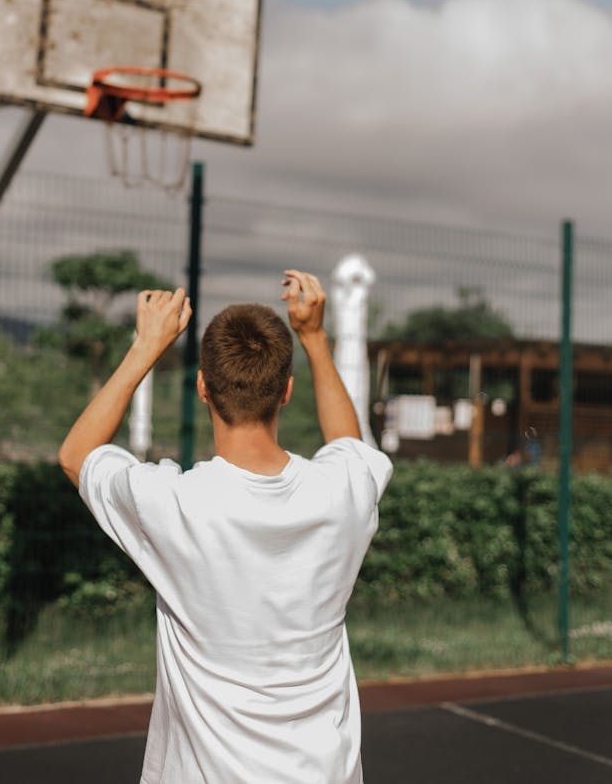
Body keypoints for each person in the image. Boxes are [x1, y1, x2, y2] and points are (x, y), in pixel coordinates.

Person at [59, 269, 392, 784]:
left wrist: (147, 346)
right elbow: (349, 444)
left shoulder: (175, 503)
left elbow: (76, 455)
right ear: (286, 391)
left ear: (201, 388)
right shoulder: (342, 491)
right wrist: (314, 337)